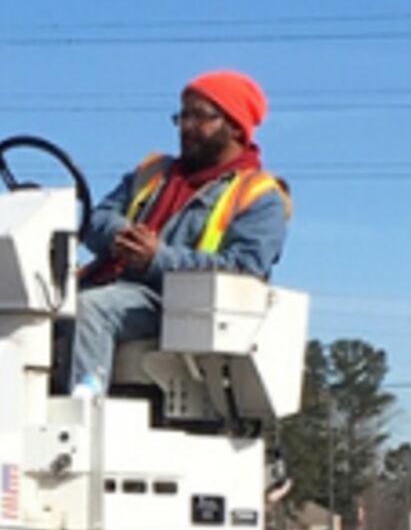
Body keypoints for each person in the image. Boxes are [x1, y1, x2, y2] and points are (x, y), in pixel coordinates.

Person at [69, 70, 291, 394]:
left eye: (201, 117)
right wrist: (122, 237)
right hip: (113, 281)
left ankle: (81, 416)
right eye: (183, 115)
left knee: (93, 309)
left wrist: (156, 258)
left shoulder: (259, 196)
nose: (187, 126)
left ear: (235, 126)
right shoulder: (152, 171)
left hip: (178, 306)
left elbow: (243, 271)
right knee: (23, 305)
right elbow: (97, 217)